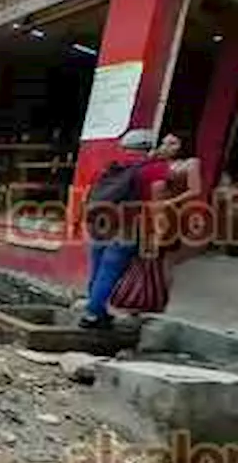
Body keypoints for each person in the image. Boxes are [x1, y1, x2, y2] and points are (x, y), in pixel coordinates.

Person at [80, 129, 202, 328]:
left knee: (97, 267)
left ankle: (96, 309)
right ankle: (93, 314)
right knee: (110, 270)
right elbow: (157, 202)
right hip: (127, 226)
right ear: (149, 147)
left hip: (99, 222)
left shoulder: (112, 166)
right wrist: (157, 232)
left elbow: (88, 193)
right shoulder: (154, 169)